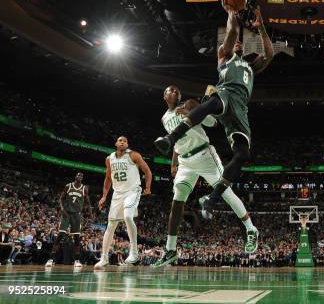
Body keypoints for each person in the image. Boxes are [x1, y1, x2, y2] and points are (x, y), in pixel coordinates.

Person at [153, 6, 274, 220]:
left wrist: (261, 27)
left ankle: (211, 199)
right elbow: (233, 32)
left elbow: (270, 54)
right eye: (234, 42)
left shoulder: (250, 66)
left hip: (240, 109)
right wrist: (232, 15)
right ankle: (171, 138)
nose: (237, 43)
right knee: (211, 103)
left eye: (240, 43)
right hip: (226, 94)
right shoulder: (224, 56)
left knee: (243, 155)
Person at [153, 86, 259, 267]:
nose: (174, 91)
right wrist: (173, 163)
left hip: (204, 155)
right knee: (177, 200)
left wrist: (190, 111)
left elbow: (213, 123)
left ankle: (251, 229)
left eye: (177, 90)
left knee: (225, 192)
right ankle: (170, 249)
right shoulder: (164, 118)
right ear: (165, 96)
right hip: (185, 162)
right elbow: (176, 139)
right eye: (170, 90)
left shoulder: (190, 103)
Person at [95, 136, 152, 269]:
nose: (122, 142)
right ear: (116, 143)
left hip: (132, 190)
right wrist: (104, 196)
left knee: (127, 216)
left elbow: (147, 171)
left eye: (125, 141)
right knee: (111, 225)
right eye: (120, 140)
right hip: (117, 193)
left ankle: (134, 252)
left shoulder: (133, 155)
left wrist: (148, 188)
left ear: (127, 144)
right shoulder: (109, 159)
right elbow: (108, 178)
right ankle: (104, 258)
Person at [45, 172, 92, 268]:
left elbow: (88, 202)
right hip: (67, 213)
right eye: (78, 175)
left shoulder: (84, 189)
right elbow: (61, 199)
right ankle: (51, 259)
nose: (79, 176)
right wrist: (62, 209)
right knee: (61, 235)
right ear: (75, 176)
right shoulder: (68, 186)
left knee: (76, 238)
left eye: (81, 176)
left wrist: (90, 213)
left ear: (82, 178)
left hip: (76, 214)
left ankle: (77, 260)